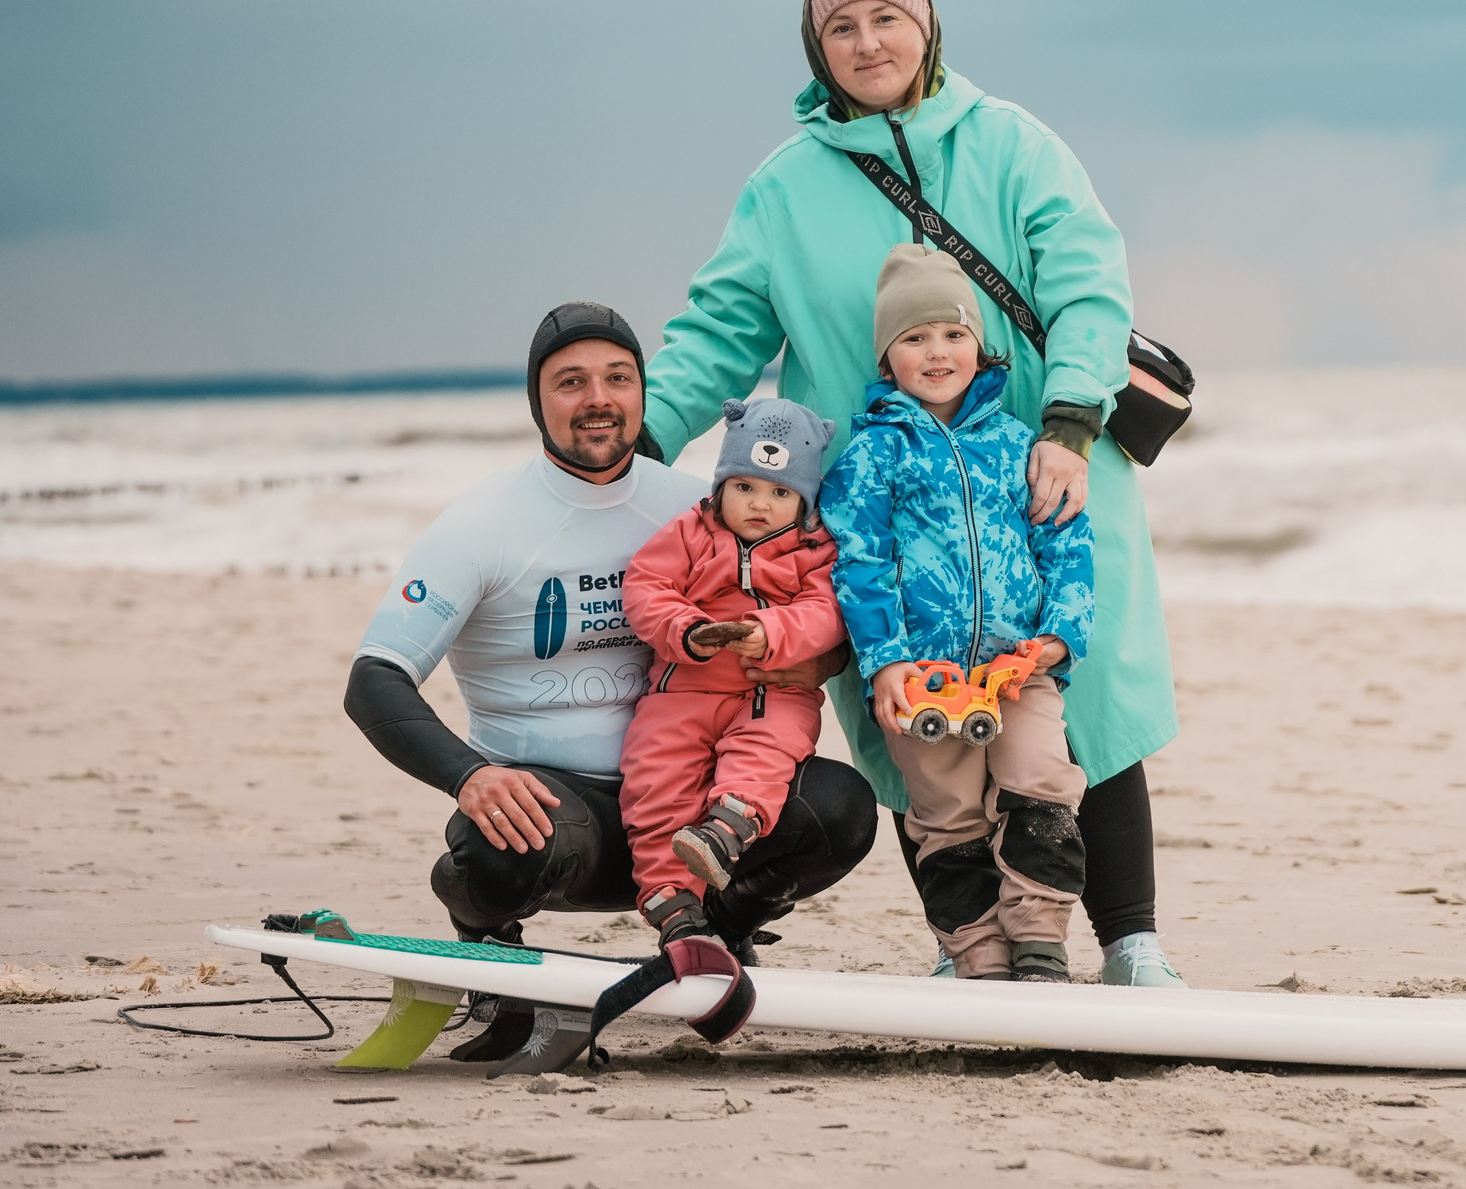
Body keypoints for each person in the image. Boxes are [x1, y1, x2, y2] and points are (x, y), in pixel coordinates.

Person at [639, 0, 1183, 986]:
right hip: (882, 502)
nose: (867, 42)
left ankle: (1131, 945)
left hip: (1046, 472)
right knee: (912, 720)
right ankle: (964, 947)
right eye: (841, 27)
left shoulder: (1013, 145)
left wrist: (1071, 418)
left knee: (1082, 705)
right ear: (818, 50)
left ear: (925, 26)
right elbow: (718, 331)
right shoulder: (784, 189)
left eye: (886, 17)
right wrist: (636, 439)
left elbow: (1087, 282)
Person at [344, 302, 878, 1063]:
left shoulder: (704, 506)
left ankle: (718, 927)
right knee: (500, 839)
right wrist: (471, 777)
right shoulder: (480, 524)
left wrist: (815, 658)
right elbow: (374, 680)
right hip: (567, 826)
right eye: (571, 381)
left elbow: (816, 608)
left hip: (699, 812)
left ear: (641, 392)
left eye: (618, 378)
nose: (598, 398)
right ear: (537, 399)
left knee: (841, 808)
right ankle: (490, 950)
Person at [825, 246, 1095, 981]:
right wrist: (885, 662)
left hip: (1020, 669)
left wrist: (1061, 637)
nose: (937, 351)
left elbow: (1067, 544)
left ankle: (1039, 936)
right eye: (914, 338)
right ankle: (976, 953)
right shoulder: (873, 455)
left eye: (953, 334)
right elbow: (860, 565)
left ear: (979, 344)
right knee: (948, 815)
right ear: (888, 359)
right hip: (923, 680)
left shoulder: (1018, 446)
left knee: (1043, 784)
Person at [618, 396, 844, 948]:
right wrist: (687, 630)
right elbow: (646, 587)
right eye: (744, 486)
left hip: (771, 689)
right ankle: (672, 903)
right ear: (721, 485)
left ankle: (727, 830)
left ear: (805, 498)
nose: (760, 504)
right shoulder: (689, 533)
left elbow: (828, 611)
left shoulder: (815, 549)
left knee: (767, 750)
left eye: (780, 493)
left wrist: (773, 631)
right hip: (682, 691)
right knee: (656, 782)